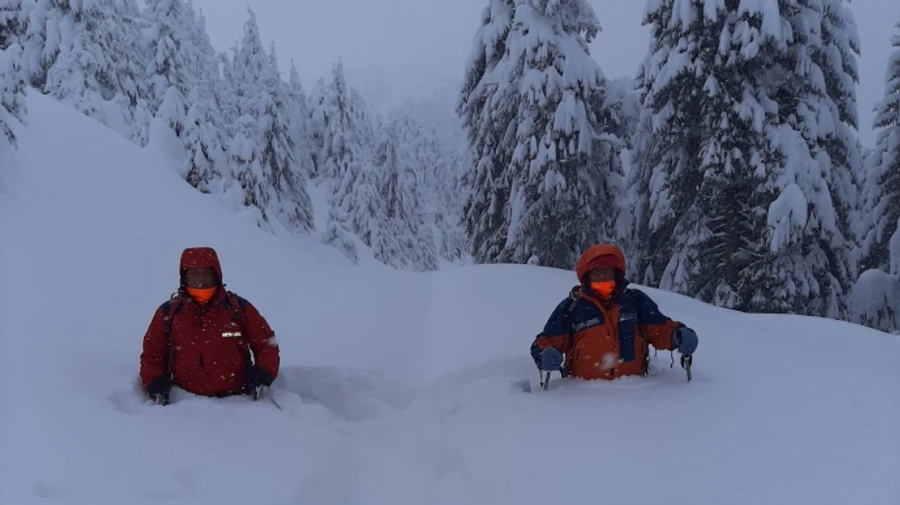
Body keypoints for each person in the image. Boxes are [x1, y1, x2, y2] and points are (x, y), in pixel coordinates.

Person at [530, 244, 698, 381]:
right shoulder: (571, 308)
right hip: (583, 400)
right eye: (597, 273)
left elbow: (660, 329)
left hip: (637, 396)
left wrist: (678, 335)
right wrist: (544, 355)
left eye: (607, 272)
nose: (603, 277)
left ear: (616, 274)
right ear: (587, 277)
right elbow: (544, 341)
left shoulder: (635, 302)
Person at [140, 247, 279, 404]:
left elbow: (266, 343)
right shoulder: (169, 313)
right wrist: (154, 380)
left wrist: (264, 371)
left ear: (216, 275)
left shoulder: (238, 308)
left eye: (206, 273)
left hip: (241, 403)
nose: (201, 280)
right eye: (194, 274)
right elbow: (152, 353)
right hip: (183, 405)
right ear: (184, 277)